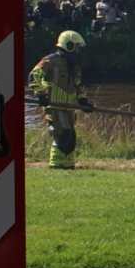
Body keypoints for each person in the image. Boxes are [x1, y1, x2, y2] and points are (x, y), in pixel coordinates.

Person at [29, 30, 95, 169]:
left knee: (71, 137)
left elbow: (76, 86)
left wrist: (83, 101)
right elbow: (34, 75)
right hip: (54, 105)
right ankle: (56, 164)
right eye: (77, 47)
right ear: (69, 45)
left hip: (69, 107)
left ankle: (69, 164)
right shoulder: (50, 61)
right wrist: (41, 94)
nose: (78, 50)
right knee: (62, 134)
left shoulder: (73, 65)